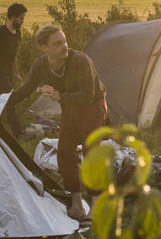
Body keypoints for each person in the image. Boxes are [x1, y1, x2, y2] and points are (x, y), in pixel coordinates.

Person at [6, 25, 106, 221]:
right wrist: (3, 101)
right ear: (45, 48)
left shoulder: (81, 61)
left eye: (65, 41)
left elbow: (87, 96)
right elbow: (26, 90)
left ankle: (97, 206)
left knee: (91, 152)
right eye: (58, 43)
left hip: (93, 105)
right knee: (65, 152)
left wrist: (59, 96)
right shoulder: (40, 65)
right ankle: (76, 204)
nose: (64, 47)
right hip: (70, 105)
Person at [0, 2, 27, 134]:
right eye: (21, 18)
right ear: (13, 17)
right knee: (9, 100)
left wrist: (16, 74)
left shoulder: (17, 33)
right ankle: (18, 133)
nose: (22, 21)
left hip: (7, 72)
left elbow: (13, 56)